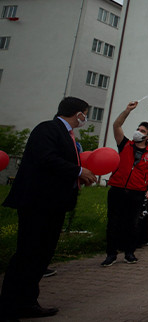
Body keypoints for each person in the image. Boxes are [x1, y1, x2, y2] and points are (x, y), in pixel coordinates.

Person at [0, 97, 98, 319]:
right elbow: (46, 159)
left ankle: (25, 300)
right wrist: (77, 171)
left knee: (41, 254)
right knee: (30, 252)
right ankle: (13, 302)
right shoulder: (48, 129)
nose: (85, 118)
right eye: (84, 113)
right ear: (77, 113)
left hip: (53, 203)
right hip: (38, 202)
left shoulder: (66, 135)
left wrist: (76, 179)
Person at [101, 101, 148, 266]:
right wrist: (127, 110)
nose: (138, 132)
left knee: (132, 223)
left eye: (142, 131)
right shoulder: (125, 144)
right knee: (113, 223)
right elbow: (116, 125)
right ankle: (111, 254)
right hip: (118, 189)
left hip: (137, 192)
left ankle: (129, 253)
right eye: (138, 129)